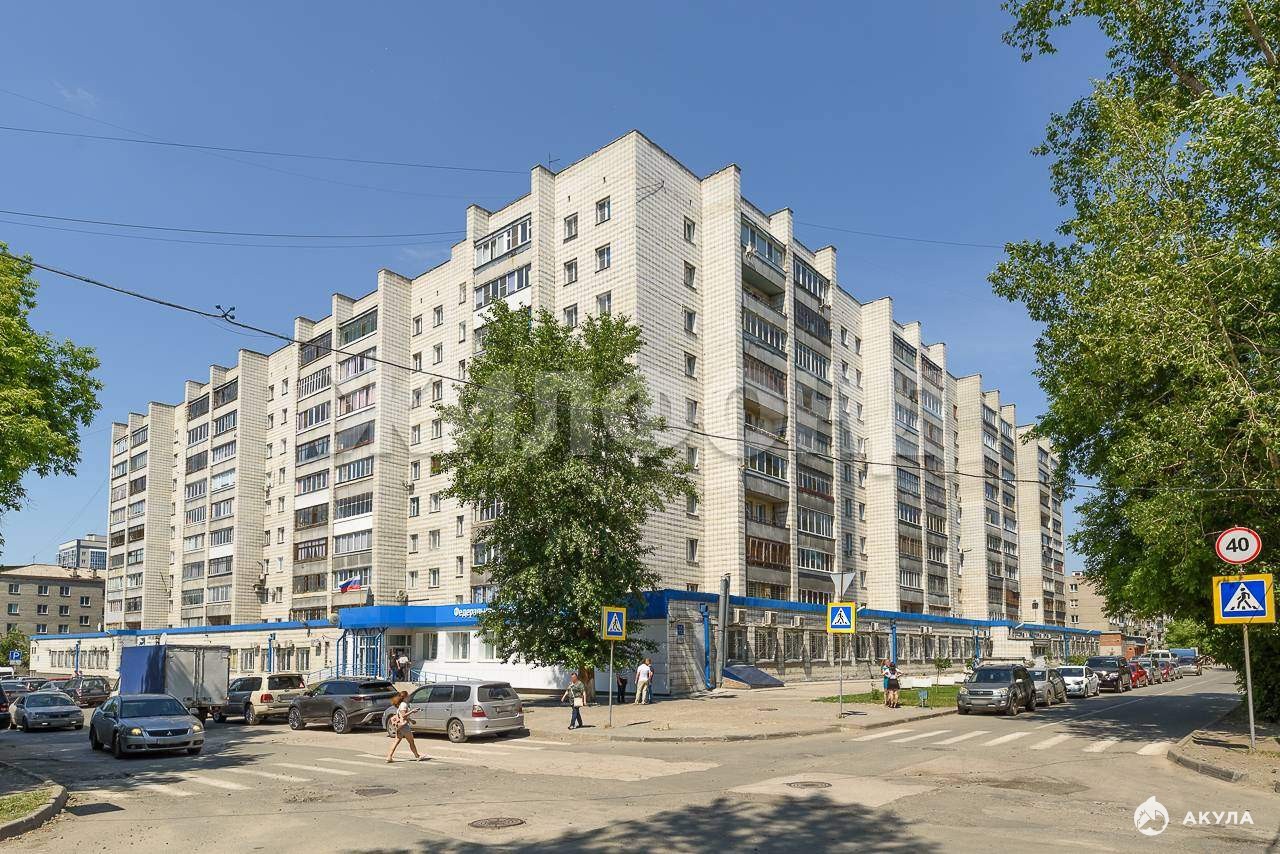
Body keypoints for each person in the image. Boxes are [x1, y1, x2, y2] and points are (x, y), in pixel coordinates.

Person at [384, 691, 425, 762]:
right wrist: (412, 711)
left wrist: (411, 720)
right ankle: (417, 756)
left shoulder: (401, 704)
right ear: (405, 697)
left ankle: (389, 757)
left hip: (400, 726)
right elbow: (403, 715)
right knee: (411, 742)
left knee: (396, 742)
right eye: (408, 696)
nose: (409, 697)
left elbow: (402, 716)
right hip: (404, 726)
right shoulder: (403, 704)